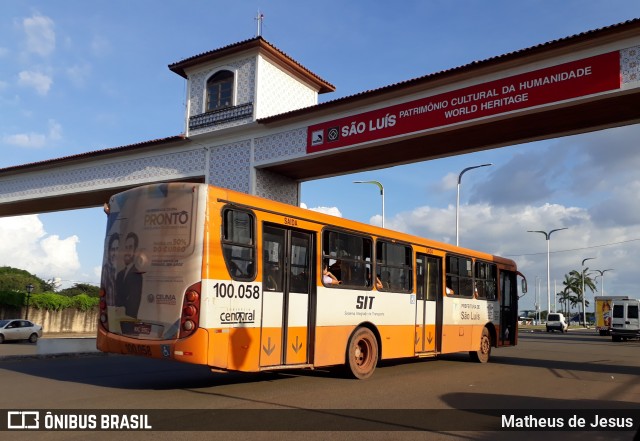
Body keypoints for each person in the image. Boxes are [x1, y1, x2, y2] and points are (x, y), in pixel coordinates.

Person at [115, 232, 143, 318]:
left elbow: (133, 306)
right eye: (126, 247)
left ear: (135, 251)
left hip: (127, 323)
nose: (127, 251)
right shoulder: (119, 274)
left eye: (130, 247)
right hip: (116, 320)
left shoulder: (137, 275)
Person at [101, 233, 119, 305]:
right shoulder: (106, 270)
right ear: (109, 252)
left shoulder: (121, 271)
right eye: (112, 249)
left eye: (117, 249)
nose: (114, 253)